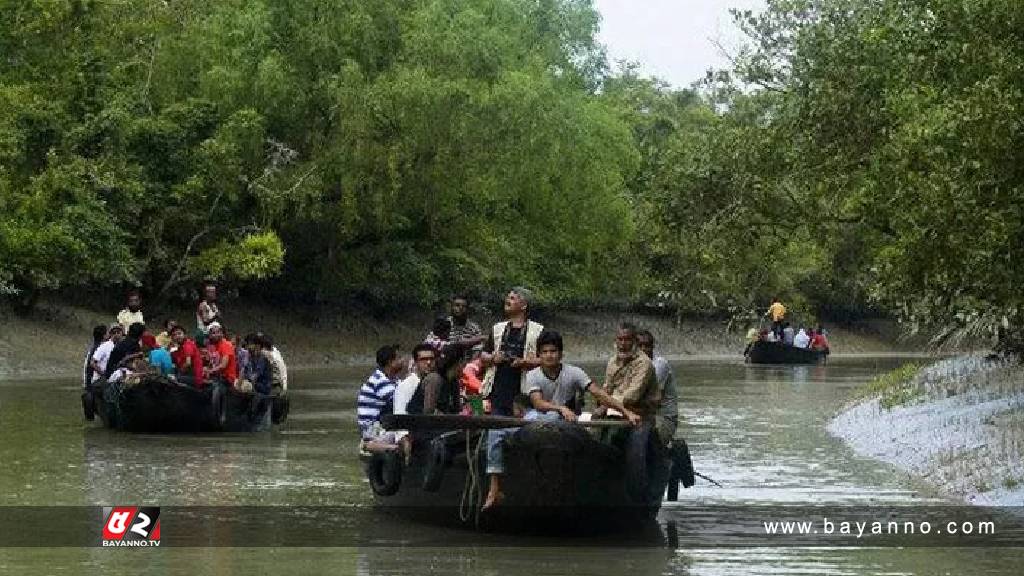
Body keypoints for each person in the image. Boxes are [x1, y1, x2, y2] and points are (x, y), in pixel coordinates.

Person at [356, 344, 404, 447]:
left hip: (381, 425)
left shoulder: (394, 380)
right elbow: (401, 401)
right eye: (399, 358)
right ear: (390, 362)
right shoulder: (380, 381)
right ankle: (371, 445)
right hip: (372, 430)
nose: (403, 360)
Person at [636, 329, 678, 445]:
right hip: (639, 413)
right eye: (640, 346)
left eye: (647, 346)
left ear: (653, 347)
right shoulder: (630, 365)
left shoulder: (659, 365)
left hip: (663, 417)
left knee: (647, 441)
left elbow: (647, 396)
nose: (643, 349)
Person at [395, 343, 448, 416]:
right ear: (415, 362)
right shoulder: (405, 386)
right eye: (423, 359)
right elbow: (400, 416)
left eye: (431, 359)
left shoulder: (437, 381)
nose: (428, 362)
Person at [448, 294, 485, 360]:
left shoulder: (474, 328)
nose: (460, 308)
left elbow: (479, 349)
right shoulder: (443, 324)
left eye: (464, 306)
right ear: (452, 307)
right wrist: (479, 338)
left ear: (468, 309)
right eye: (457, 305)